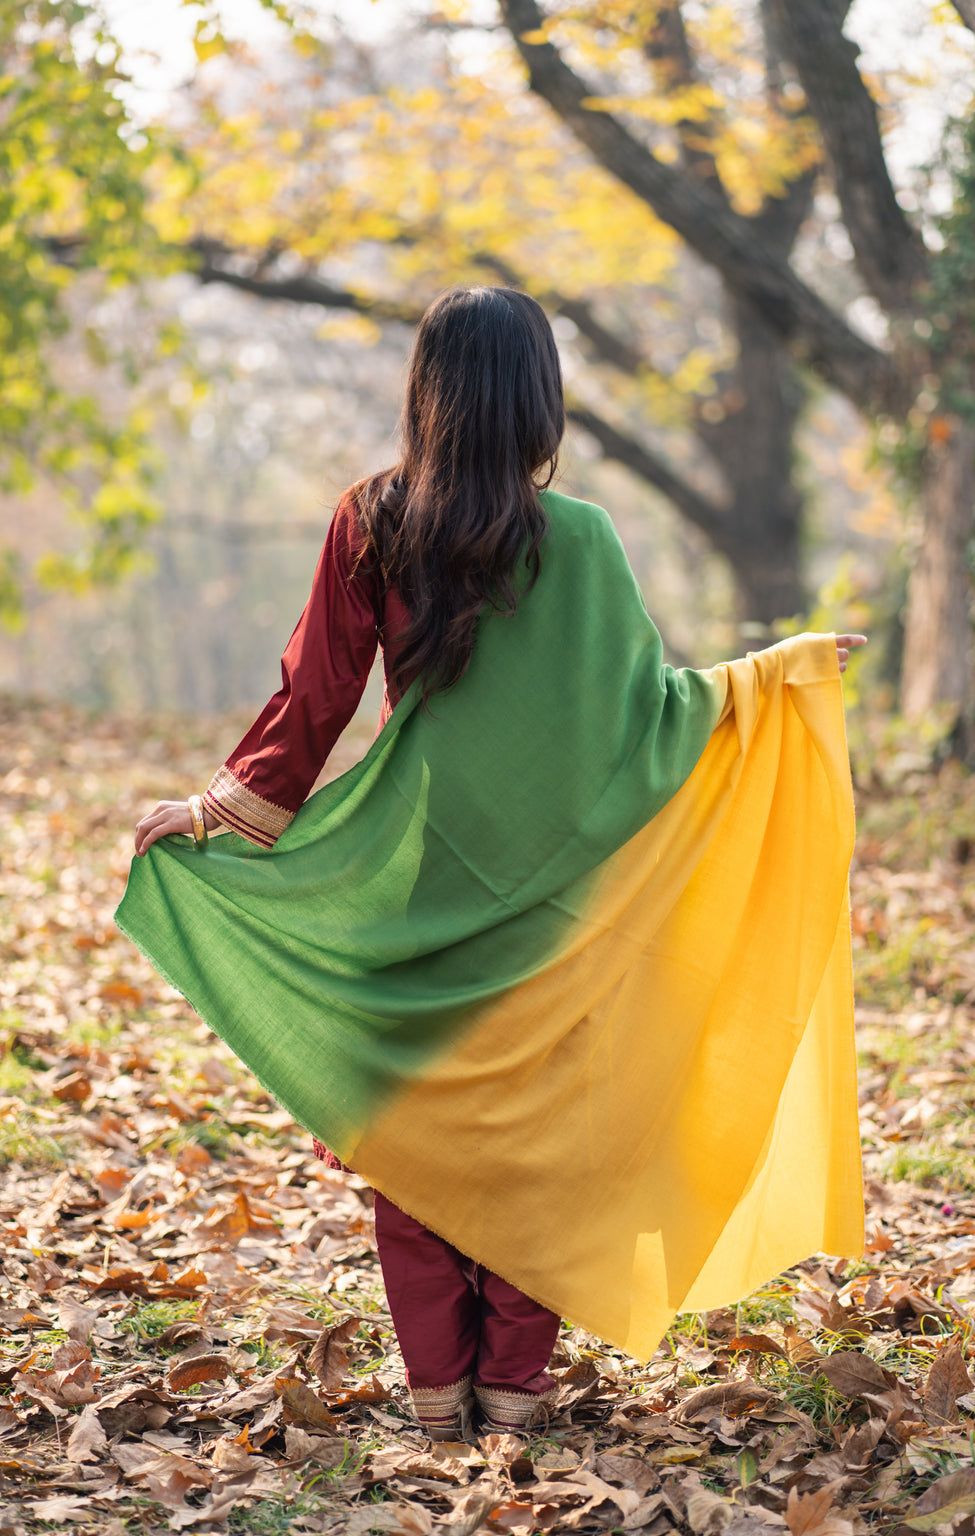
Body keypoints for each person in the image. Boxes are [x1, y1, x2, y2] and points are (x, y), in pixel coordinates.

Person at [125, 286, 866, 1443]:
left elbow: (313, 696)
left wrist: (219, 812)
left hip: (423, 886)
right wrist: (776, 678)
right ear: (539, 399)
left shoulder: (371, 519)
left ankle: (437, 1399)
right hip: (567, 904)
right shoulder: (584, 539)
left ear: (425, 392)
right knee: (545, 1145)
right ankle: (513, 1395)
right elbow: (649, 714)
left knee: (416, 1144)